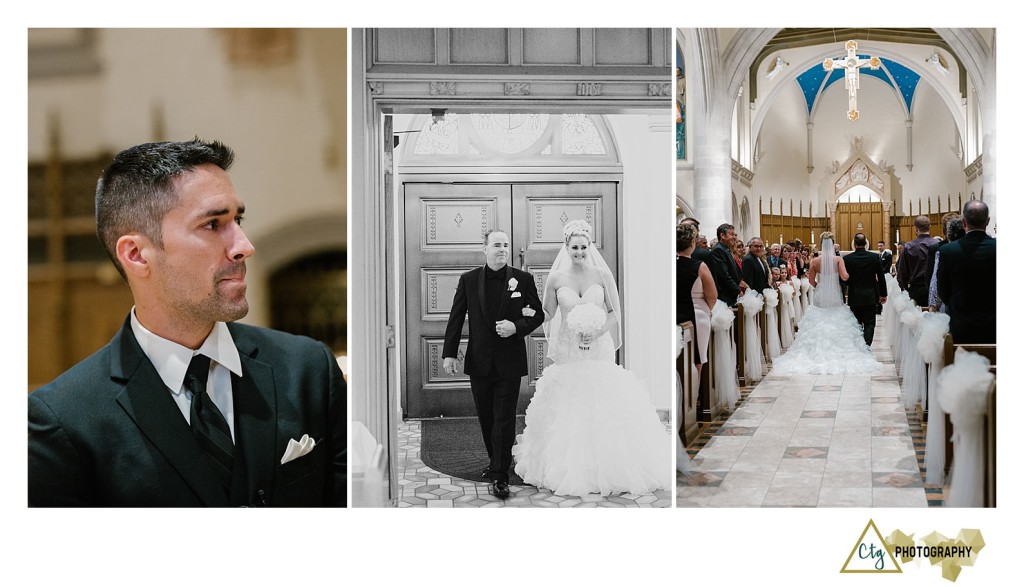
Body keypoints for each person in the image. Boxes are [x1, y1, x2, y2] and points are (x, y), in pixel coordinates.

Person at [28, 139, 347, 507]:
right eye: (213, 224)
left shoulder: (308, 370)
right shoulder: (62, 421)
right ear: (136, 255)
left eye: (237, 220)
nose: (244, 245)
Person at [513, 220, 669, 496]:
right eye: (574, 247)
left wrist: (596, 333)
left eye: (584, 247)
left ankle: (609, 466)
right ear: (566, 248)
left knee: (601, 403)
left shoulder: (600, 275)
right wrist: (528, 314)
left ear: (590, 246)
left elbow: (614, 313)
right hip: (568, 350)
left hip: (598, 348)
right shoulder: (557, 279)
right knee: (571, 403)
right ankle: (568, 468)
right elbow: (547, 314)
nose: (580, 252)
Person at [442, 229, 545, 499]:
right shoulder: (469, 280)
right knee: (486, 416)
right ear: (485, 248)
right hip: (479, 360)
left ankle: (500, 474)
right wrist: (449, 354)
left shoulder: (522, 279)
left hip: (510, 361)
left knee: (504, 417)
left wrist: (516, 327)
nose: (502, 249)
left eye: (506, 245)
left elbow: (538, 315)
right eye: (497, 245)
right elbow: (456, 317)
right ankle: (495, 461)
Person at [770, 232, 882, 374]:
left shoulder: (815, 261)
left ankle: (813, 352)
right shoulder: (837, 260)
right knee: (837, 318)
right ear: (833, 242)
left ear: (821, 243)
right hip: (835, 295)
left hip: (821, 295)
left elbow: (811, 281)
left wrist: (820, 287)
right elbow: (845, 276)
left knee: (819, 319)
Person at [937, 200, 996, 344]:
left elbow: (943, 291)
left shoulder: (948, 251)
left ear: (963, 222)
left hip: (961, 324)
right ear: (987, 221)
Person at [676, 223, 717, 371]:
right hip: (697, 315)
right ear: (693, 243)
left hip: (674, 314)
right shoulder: (700, 266)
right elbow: (712, 297)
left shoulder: (668, 265)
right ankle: (694, 394)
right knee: (696, 360)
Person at [843, 233, 888, 345]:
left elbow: (844, 279)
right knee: (870, 323)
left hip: (854, 296)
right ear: (866, 243)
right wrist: (883, 294)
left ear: (854, 243)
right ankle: (867, 346)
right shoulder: (874, 257)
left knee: (856, 323)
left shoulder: (847, 259)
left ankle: (859, 347)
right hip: (870, 295)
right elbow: (881, 277)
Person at [897, 216, 939, 306]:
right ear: (929, 227)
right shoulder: (938, 244)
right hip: (936, 288)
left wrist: (904, 291)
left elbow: (902, 273)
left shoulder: (909, 247)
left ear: (915, 228)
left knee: (917, 318)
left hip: (916, 289)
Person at [928, 216, 966, 314]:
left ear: (947, 233)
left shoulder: (944, 251)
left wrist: (933, 304)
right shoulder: (973, 248)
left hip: (950, 302)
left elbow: (937, 281)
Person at [710, 223, 746, 306]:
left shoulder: (726, 249)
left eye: (735, 235)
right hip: (724, 296)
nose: (734, 237)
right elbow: (724, 275)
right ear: (722, 235)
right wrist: (738, 291)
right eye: (731, 234)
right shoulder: (718, 250)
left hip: (730, 295)